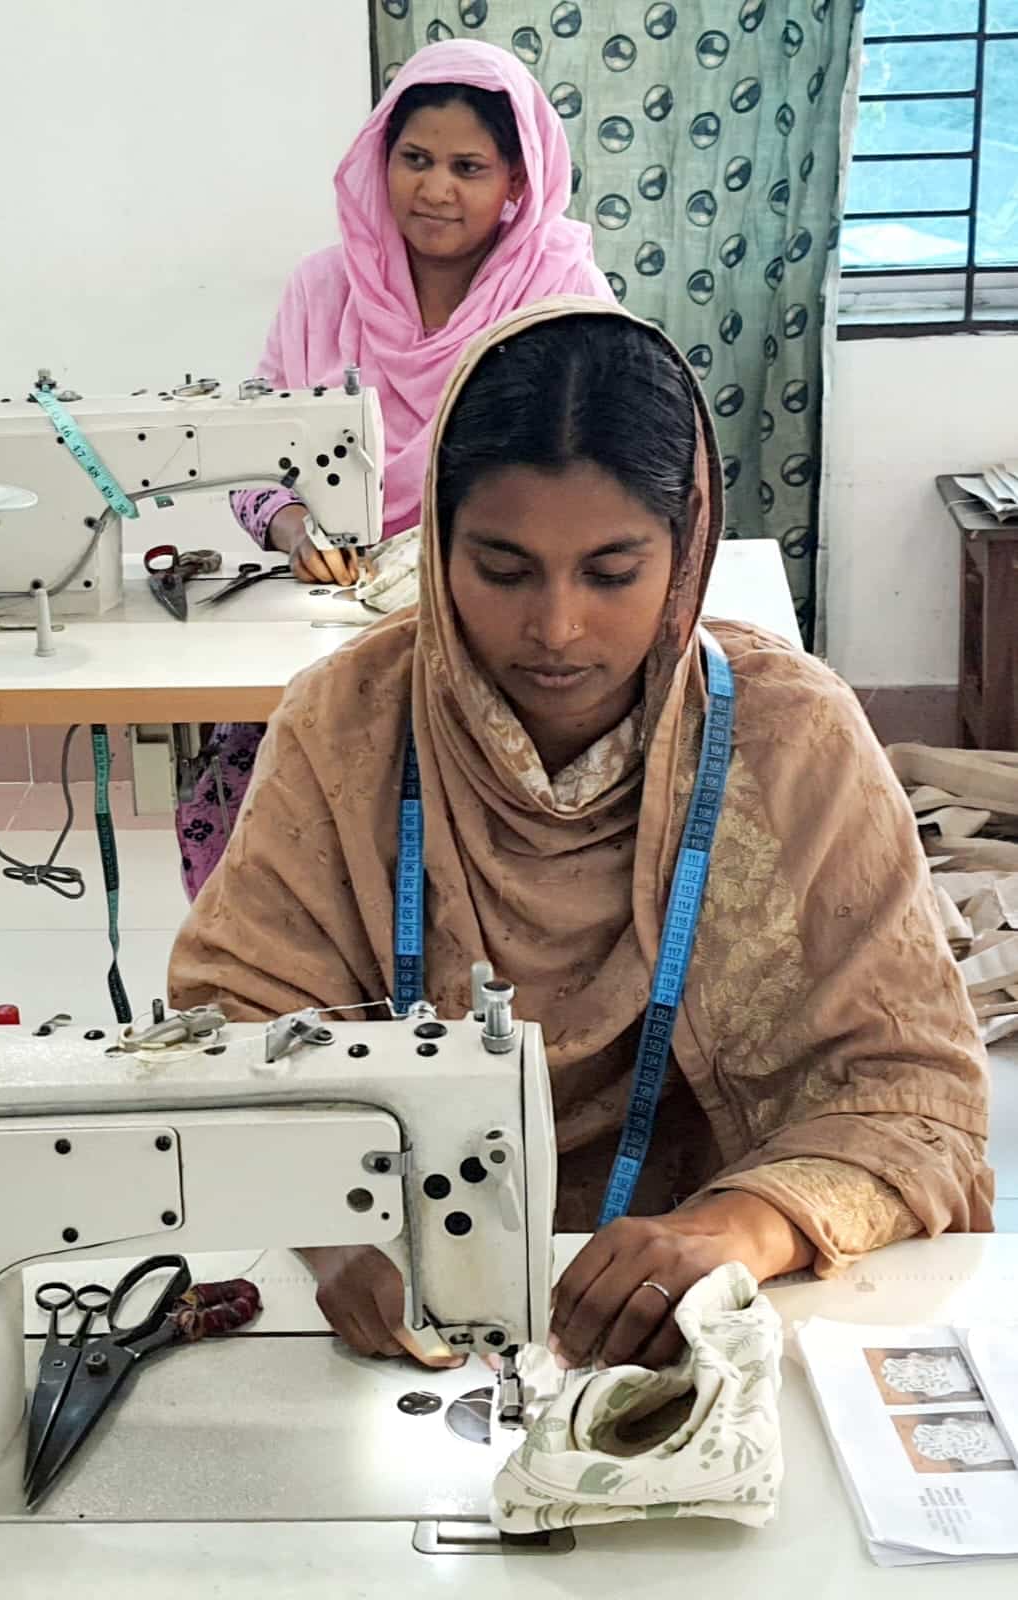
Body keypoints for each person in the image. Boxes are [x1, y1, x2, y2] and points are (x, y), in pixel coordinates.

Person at [169, 296, 992, 1373]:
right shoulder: (348, 724)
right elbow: (231, 1026)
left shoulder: (790, 739)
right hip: (414, 1282)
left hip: (715, 1298)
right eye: (502, 570)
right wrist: (330, 1235)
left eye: (610, 573)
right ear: (436, 549)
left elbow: (916, 1099)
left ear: (685, 547)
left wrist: (734, 1227)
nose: (555, 628)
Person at [176, 40, 614, 900]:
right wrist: (291, 526)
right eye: (414, 159)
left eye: (467, 166)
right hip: (333, 606)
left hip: (502, 608)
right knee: (246, 790)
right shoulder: (323, 289)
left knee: (462, 819)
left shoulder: (560, 290)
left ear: (517, 182)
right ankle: (277, 978)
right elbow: (250, 449)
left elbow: (599, 472)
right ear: (381, 162)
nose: (435, 189)